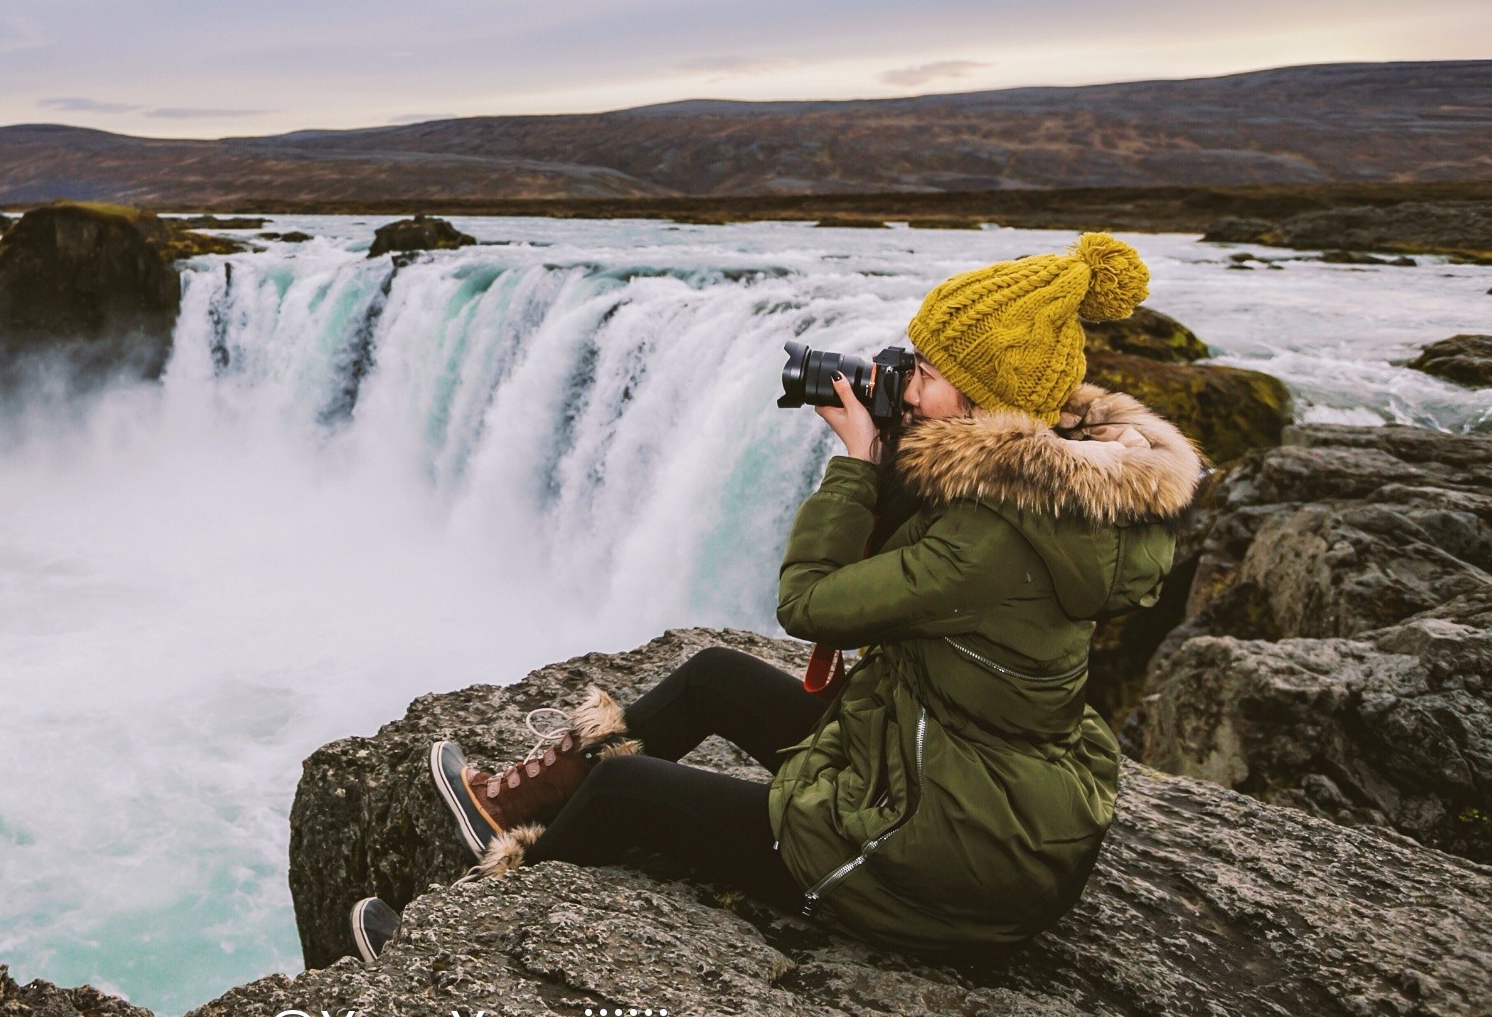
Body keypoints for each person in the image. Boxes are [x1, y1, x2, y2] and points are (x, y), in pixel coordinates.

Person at [350, 232, 1203, 961]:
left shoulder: (994, 536)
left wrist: (860, 465)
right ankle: (518, 799)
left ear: (992, 402)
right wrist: (907, 448)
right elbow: (918, 570)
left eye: (930, 373)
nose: (907, 381)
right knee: (715, 674)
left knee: (627, 796)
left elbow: (813, 601)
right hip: (936, 764)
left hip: (946, 850)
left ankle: (469, 943)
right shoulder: (1039, 487)